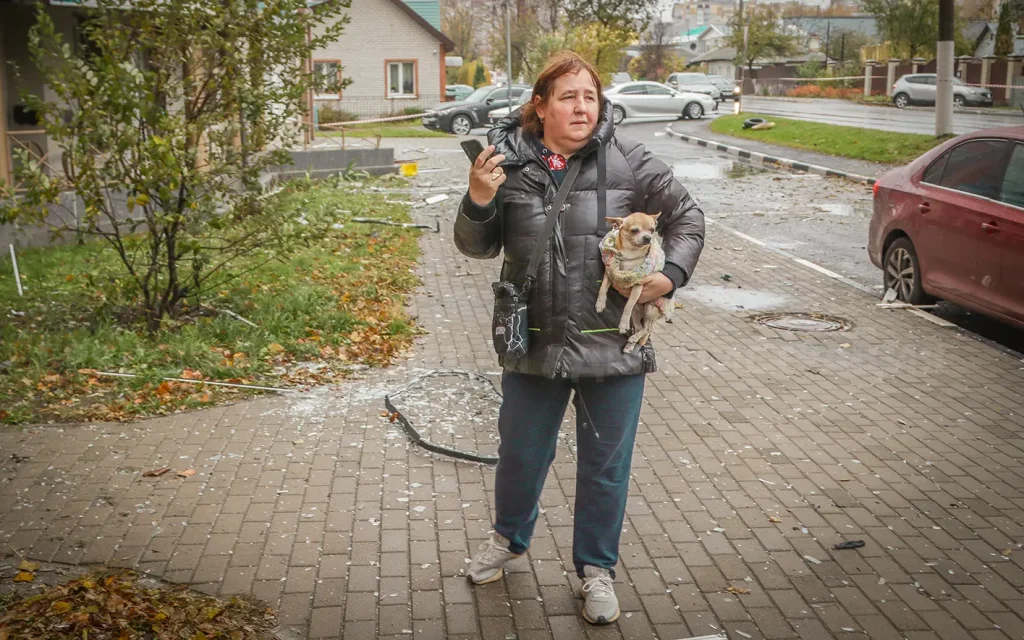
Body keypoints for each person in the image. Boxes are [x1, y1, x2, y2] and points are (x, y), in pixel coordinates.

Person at [454, 51, 705, 625]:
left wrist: (669, 277)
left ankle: (596, 571)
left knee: (604, 467)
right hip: (534, 343)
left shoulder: (630, 161)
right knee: (519, 456)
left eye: (590, 96)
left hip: (613, 345)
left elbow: (689, 217)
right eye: (567, 96)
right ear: (539, 106)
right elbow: (475, 247)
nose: (581, 107)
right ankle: (508, 541)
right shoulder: (507, 163)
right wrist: (479, 198)